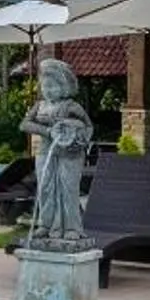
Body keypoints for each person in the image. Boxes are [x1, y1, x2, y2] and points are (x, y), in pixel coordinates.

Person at [19, 58, 96, 251]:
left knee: (67, 188)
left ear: (63, 87)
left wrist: (74, 134)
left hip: (69, 154)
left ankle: (71, 227)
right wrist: (47, 131)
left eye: (52, 86)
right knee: (45, 188)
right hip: (46, 151)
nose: (48, 90)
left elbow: (88, 127)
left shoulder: (72, 106)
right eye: (45, 86)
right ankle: (46, 224)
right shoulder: (39, 106)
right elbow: (24, 124)